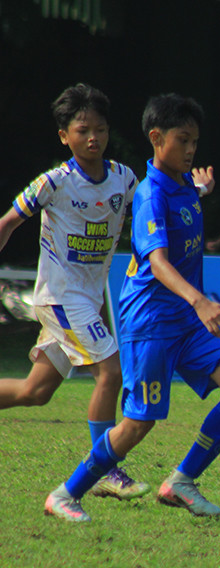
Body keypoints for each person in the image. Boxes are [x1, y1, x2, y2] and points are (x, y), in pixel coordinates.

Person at [43, 93, 220, 522]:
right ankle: (66, 494)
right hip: (152, 322)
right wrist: (200, 301)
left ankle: (181, 481)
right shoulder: (148, 196)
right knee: (137, 426)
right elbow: (157, 262)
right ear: (156, 138)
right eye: (184, 140)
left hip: (186, 321)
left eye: (196, 141)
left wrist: (200, 189)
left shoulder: (182, 186)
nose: (192, 150)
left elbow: (185, 203)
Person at [0, 83, 149, 502]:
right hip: (62, 296)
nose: (93, 138)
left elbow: (151, 211)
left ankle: (103, 467)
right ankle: (105, 468)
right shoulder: (54, 183)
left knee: (36, 392)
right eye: (82, 130)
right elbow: (9, 221)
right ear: (64, 135)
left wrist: (194, 193)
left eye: (100, 129)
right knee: (111, 373)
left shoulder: (124, 179)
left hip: (89, 297)